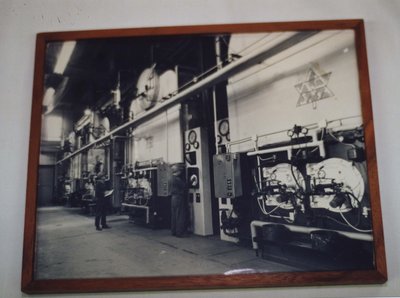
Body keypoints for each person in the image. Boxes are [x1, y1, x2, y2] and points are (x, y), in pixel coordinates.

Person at [170, 164, 188, 237]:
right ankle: (179, 232)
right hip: (178, 198)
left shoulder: (170, 178)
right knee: (180, 215)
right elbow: (185, 186)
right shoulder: (177, 179)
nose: (181, 172)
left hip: (173, 198)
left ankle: (174, 231)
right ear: (177, 171)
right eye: (180, 170)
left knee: (174, 215)